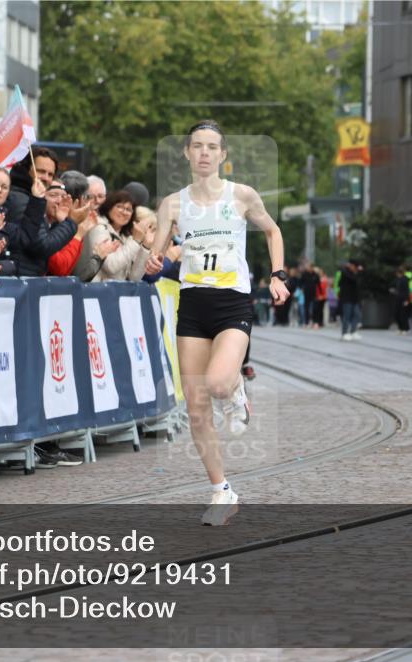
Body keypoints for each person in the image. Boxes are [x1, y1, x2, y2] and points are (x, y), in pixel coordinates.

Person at [144, 120, 289, 526]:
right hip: (192, 306)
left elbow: (273, 231)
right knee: (196, 409)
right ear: (187, 153)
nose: (204, 153)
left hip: (232, 305)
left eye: (212, 147)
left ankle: (237, 390)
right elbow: (157, 258)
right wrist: (155, 260)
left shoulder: (241, 195)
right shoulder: (173, 204)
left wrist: (278, 276)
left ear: (223, 156)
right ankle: (222, 491)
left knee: (220, 383)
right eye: (197, 146)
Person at [84, 190, 151, 282]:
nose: (124, 212)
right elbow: (111, 267)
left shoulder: (126, 237)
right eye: (119, 206)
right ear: (109, 207)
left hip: (117, 293)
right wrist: (135, 241)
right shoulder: (98, 228)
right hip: (97, 291)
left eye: (128, 209)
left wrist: (145, 247)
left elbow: (134, 278)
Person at [338, 259, 362, 340]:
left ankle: (353, 331)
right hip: (346, 298)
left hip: (354, 298)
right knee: (347, 316)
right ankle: (344, 333)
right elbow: (353, 279)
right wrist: (357, 272)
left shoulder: (355, 273)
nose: (355, 268)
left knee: (357, 315)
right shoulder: (345, 272)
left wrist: (358, 272)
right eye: (355, 267)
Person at [392, 265, 412, 334]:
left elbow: (407, 290)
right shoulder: (398, 279)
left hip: (403, 298)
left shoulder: (405, 279)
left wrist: (407, 300)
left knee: (403, 314)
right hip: (398, 298)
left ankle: (405, 328)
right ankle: (400, 328)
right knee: (396, 313)